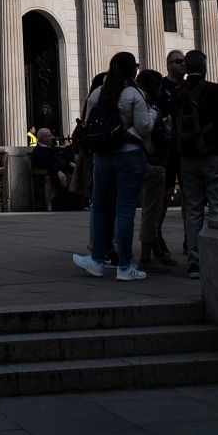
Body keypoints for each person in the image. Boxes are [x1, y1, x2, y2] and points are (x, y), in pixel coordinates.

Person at [73, 51, 156, 281]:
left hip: (102, 157)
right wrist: (153, 113)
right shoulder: (134, 93)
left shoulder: (99, 92)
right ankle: (125, 266)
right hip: (129, 155)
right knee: (125, 210)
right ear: (132, 69)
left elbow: (89, 124)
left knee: (100, 208)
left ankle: (98, 260)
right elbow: (144, 127)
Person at [173, 49, 218, 278]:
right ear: (205, 67)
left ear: (187, 68)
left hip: (187, 158)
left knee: (193, 210)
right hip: (215, 155)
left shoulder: (179, 92)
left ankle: (195, 261)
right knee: (217, 207)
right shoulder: (215, 90)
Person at [132, 68, 177, 269]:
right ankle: (145, 256)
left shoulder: (135, 103)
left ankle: (158, 250)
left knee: (150, 210)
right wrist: (168, 129)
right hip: (154, 163)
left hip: (137, 161)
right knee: (152, 212)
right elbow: (160, 137)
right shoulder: (150, 108)